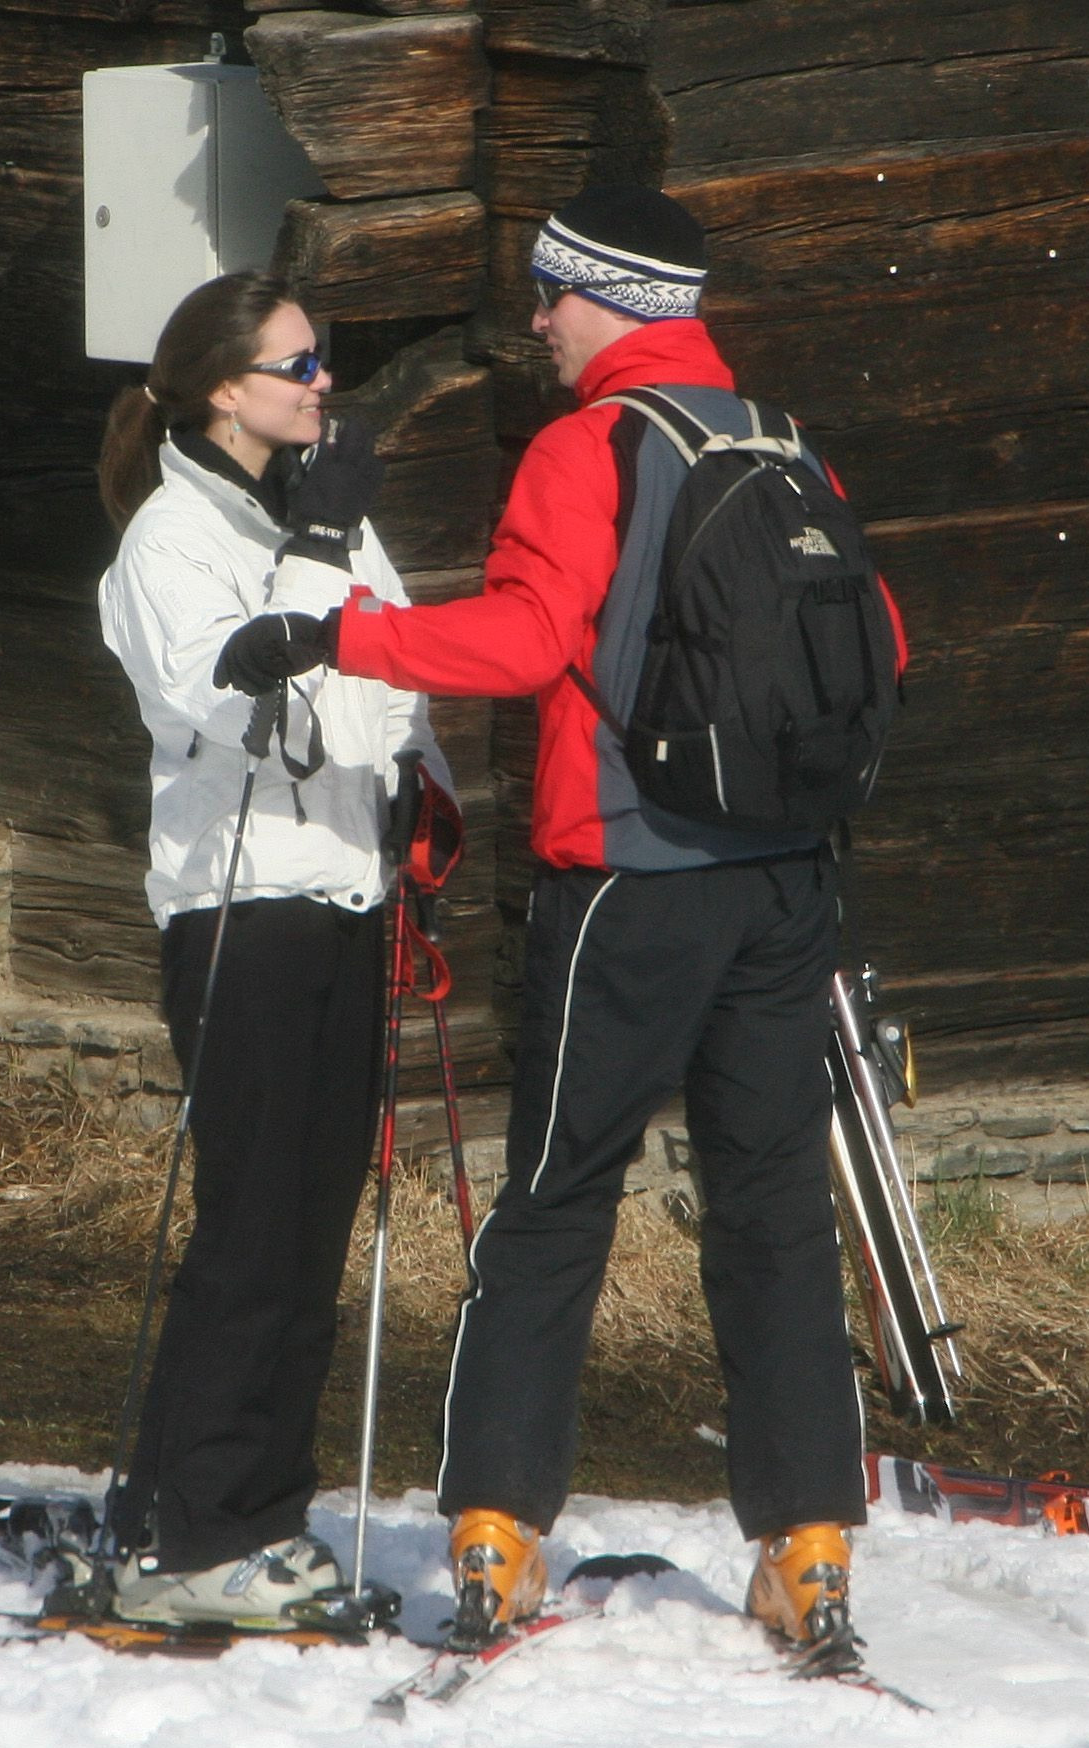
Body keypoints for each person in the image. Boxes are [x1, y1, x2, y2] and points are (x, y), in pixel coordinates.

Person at [232, 184, 910, 1662]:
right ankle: (807, 1547)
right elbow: (886, 642)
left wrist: (340, 632)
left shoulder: (587, 444)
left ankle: (494, 1528)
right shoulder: (788, 444)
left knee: (552, 1203)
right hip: (787, 883)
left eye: (553, 293)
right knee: (775, 1212)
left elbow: (529, 637)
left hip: (627, 878)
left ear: (615, 299)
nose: (535, 319)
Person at [95, 271, 454, 1627]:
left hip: (348, 897)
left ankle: (253, 1507)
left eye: (325, 363)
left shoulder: (328, 519)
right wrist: (314, 553)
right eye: (299, 366)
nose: (324, 387)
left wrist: (425, 799)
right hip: (239, 912)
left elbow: (391, 672)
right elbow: (249, 712)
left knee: (311, 1222)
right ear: (220, 388)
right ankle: (195, 1521)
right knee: (250, 1225)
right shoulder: (165, 548)